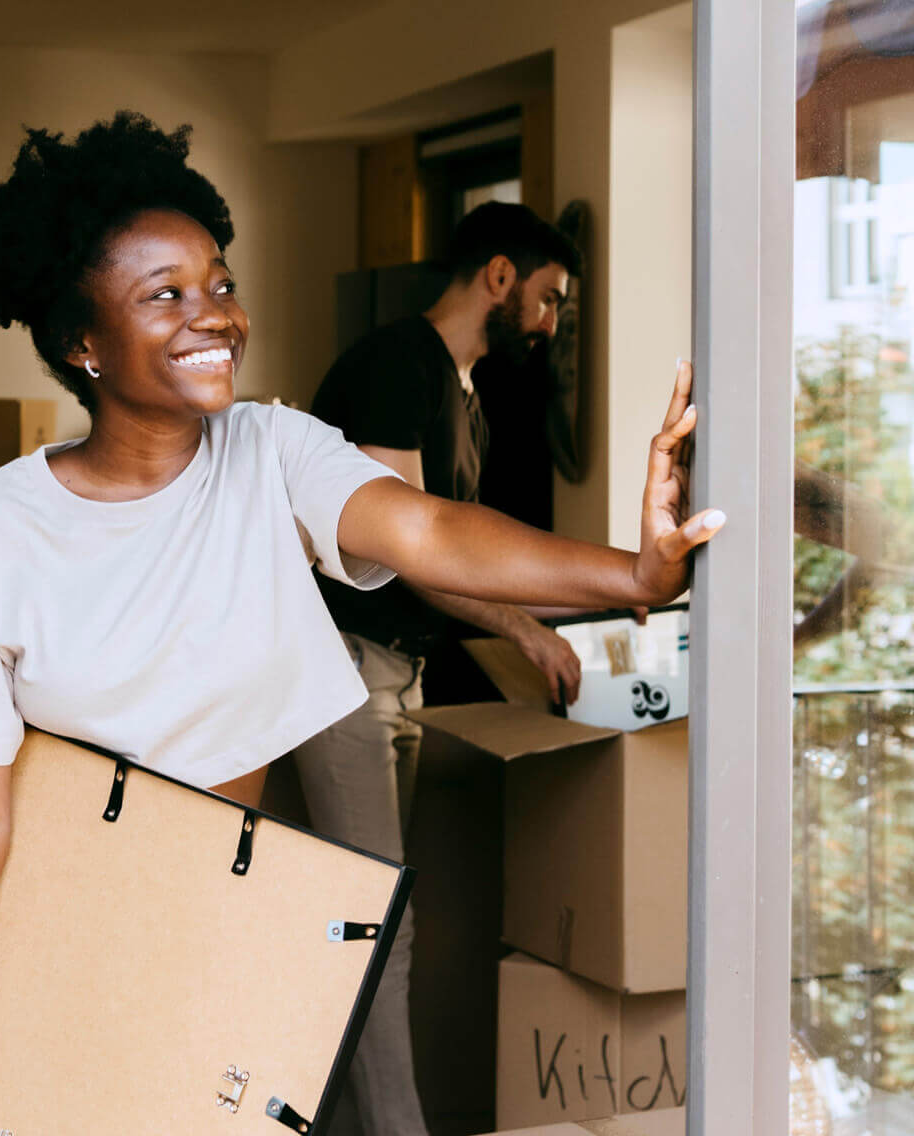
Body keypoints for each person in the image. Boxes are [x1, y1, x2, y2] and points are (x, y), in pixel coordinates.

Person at [0, 113, 722, 1136]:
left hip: (221, 942)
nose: (212, 315)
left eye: (219, 284)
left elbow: (432, 528)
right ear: (81, 341)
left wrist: (634, 573)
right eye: (164, 295)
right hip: (41, 954)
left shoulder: (269, 453)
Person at [294, 203, 592, 1136]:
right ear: (499, 277)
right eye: (547, 299)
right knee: (376, 918)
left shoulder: (469, 402)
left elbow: (464, 556)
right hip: (340, 669)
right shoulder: (395, 366)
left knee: (362, 916)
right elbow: (419, 552)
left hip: (396, 676)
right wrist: (526, 631)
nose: (548, 325)